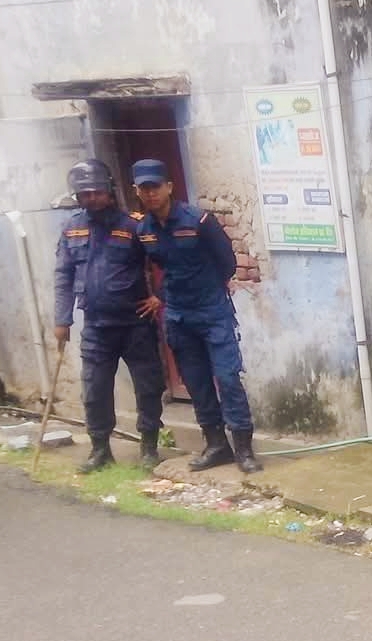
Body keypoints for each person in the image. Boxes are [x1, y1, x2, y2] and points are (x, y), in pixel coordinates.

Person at [130, 159, 258, 475]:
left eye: (155, 187)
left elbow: (227, 262)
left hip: (212, 311)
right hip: (178, 317)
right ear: (137, 191)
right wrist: (161, 296)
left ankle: (243, 448)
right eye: (144, 189)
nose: (150, 194)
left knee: (227, 377)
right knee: (197, 383)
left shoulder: (198, 219)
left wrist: (207, 289)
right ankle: (216, 445)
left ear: (169, 187)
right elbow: (162, 269)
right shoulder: (143, 229)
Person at [54, 158, 163, 472]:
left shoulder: (135, 225)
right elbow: (62, 274)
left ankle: (149, 448)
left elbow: (168, 261)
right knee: (95, 390)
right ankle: (100, 450)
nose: (90, 199)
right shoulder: (71, 227)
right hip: (96, 328)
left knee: (149, 386)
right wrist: (62, 319)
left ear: (110, 191)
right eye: (84, 194)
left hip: (135, 325)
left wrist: (159, 297)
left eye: (96, 193)